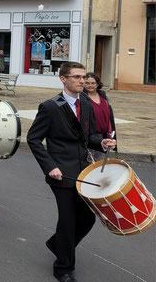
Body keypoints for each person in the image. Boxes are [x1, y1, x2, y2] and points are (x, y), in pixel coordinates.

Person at [27, 62, 116, 282]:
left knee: (87, 219)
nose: (82, 81)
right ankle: (63, 268)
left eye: (83, 77)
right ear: (63, 79)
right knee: (67, 220)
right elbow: (34, 139)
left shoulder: (85, 103)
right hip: (61, 173)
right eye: (76, 77)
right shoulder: (49, 107)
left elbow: (88, 137)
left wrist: (102, 142)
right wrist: (50, 167)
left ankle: (57, 244)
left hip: (84, 172)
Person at [84, 72, 116, 161]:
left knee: (99, 162)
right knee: (89, 162)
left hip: (103, 135)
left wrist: (110, 134)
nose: (90, 85)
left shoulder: (102, 95)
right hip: (90, 135)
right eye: (87, 83)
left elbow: (109, 116)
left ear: (97, 84)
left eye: (93, 83)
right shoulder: (82, 97)